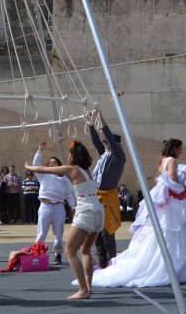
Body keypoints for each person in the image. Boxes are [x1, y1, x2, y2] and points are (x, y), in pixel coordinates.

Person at [91, 138, 186, 288]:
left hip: (163, 199)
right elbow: (172, 178)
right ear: (175, 149)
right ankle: (173, 264)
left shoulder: (162, 160)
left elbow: (158, 178)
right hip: (172, 200)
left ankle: (164, 262)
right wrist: (183, 191)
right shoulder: (172, 160)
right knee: (174, 229)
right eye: (180, 148)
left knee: (161, 229)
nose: (181, 151)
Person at [26, 140, 104, 300]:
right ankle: (88, 287)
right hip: (98, 211)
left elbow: (42, 169)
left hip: (86, 211)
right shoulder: (87, 171)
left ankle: (83, 289)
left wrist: (28, 167)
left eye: (69, 154)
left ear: (74, 156)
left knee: (70, 251)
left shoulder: (71, 169)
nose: (67, 157)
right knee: (85, 250)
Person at [87, 108, 126, 268]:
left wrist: (100, 119)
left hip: (108, 197)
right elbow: (96, 142)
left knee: (107, 231)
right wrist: (91, 124)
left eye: (107, 143)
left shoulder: (118, 156)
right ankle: (103, 261)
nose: (104, 145)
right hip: (97, 196)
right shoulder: (105, 155)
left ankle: (112, 261)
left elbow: (108, 136)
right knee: (96, 230)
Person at [32, 141, 76, 264]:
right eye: (50, 162)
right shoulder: (42, 175)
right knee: (41, 233)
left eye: (54, 162)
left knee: (58, 233)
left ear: (58, 165)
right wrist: (40, 150)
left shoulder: (64, 178)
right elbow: (35, 165)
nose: (52, 163)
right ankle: (37, 255)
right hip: (45, 206)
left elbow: (69, 194)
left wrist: (73, 207)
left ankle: (58, 254)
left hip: (59, 207)